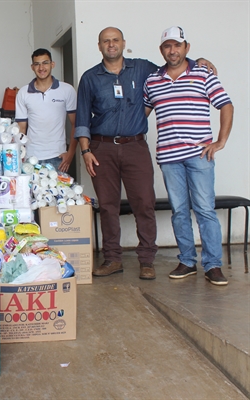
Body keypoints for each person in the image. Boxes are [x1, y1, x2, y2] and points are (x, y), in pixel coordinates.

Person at [75, 27, 215, 280]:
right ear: (99, 46)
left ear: (123, 43)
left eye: (115, 40)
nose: (111, 45)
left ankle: (147, 261)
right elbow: (82, 117)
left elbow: (173, 64)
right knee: (107, 206)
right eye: (106, 41)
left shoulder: (142, 69)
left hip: (135, 147)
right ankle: (113, 259)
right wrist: (85, 150)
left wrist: (199, 63)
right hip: (101, 148)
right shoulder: (89, 78)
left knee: (144, 204)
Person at [144, 26, 234, 285]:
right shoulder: (152, 80)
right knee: (179, 211)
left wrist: (221, 141)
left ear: (187, 47)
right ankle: (187, 261)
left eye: (177, 45)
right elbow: (141, 115)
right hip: (169, 157)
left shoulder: (203, 73)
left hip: (199, 155)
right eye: (167, 46)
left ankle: (213, 265)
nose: (172, 50)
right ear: (161, 50)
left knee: (205, 210)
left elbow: (226, 105)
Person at [15, 48, 77, 172]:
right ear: (32, 67)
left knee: (59, 191)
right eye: (37, 64)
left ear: (52, 64)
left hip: (58, 157)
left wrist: (70, 154)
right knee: (31, 191)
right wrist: (19, 154)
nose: (41, 68)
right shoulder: (23, 92)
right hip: (31, 157)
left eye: (45, 63)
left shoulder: (67, 90)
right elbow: (21, 129)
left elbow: (76, 124)